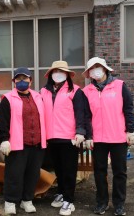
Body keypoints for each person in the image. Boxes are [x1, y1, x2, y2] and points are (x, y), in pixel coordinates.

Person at [82, 57, 134, 216]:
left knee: (120, 172)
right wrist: (88, 136)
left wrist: (130, 130)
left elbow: (128, 109)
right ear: (89, 73)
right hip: (98, 139)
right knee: (99, 172)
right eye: (92, 68)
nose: (96, 70)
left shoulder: (119, 86)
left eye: (98, 67)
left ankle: (119, 204)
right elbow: (86, 116)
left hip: (118, 138)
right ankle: (101, 203)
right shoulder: (87, 92)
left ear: (105, 68)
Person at [40, 61, 88, 216]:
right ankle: (61, 193)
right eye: (55, 71)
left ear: (67, 74)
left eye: (61, 71)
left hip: (69, 138)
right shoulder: (44, 91)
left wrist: (80, 132)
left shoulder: (75, 91)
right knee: (58, 169)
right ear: (50, 74)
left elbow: (81, 113)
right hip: (51, 137)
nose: (58, 74)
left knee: (69, 169)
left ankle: (69, 200)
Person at [0, 67, 46, 215]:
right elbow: (3, 121)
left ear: (30, 81)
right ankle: (11, 201)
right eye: (18, 79)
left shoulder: (38, 97)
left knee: (33, 174)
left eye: (25, 78)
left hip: (37, 143)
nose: (22, 81)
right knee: (14, 174)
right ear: (14, 81)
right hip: (18, 144)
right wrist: (4, 139)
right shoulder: (7, 99)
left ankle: (27, 200)